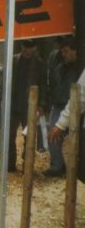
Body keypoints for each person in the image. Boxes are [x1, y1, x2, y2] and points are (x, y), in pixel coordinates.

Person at [45, 39, 82, 177]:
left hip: (75, 106)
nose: (64, 54)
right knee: (53, 133)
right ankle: (56, 166)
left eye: (66, 51)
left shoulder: (80, 69)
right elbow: (53, 84)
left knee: (73, 138)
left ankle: (73, 167)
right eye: (62, 52)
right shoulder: (59, 66)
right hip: (59, 104)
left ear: (74, 51)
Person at [9, 39, 47, 172]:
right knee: (9, 135)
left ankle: (27, 164)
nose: (25, 50)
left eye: (29, 47)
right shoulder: (13, 60)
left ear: (34, 48)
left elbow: (43, 84)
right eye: (24, 47)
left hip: (30, 106)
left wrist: (41, 104)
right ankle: (9, 164)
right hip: (12, 104)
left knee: (29, 136)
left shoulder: (40, 63)